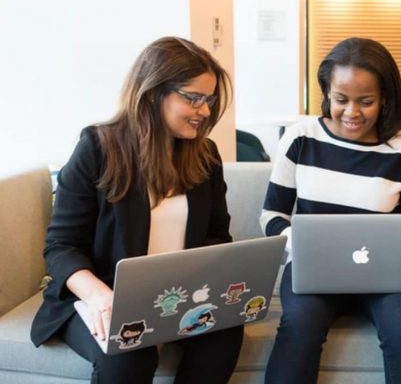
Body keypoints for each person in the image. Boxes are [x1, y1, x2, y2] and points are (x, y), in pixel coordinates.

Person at [30, 36, 243, 384]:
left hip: (175, 298)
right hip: (100, 297)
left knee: (225, 335)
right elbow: (61, 247)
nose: (205, 111)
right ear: (154, 93)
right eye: (194, 98)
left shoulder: (205, 157)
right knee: (131, 350)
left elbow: (216, 237)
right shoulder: (96, 148)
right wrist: (100, 297)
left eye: (210, 100)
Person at [260, 37, 401, 384]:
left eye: (366, 101)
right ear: (327, 93)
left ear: (385, 98)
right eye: (341, 99)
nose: (352, 112)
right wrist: (300, 242)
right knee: (299, 325)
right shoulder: (301, 138)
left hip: (386, 277)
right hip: (313, 271)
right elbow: (272, 216)